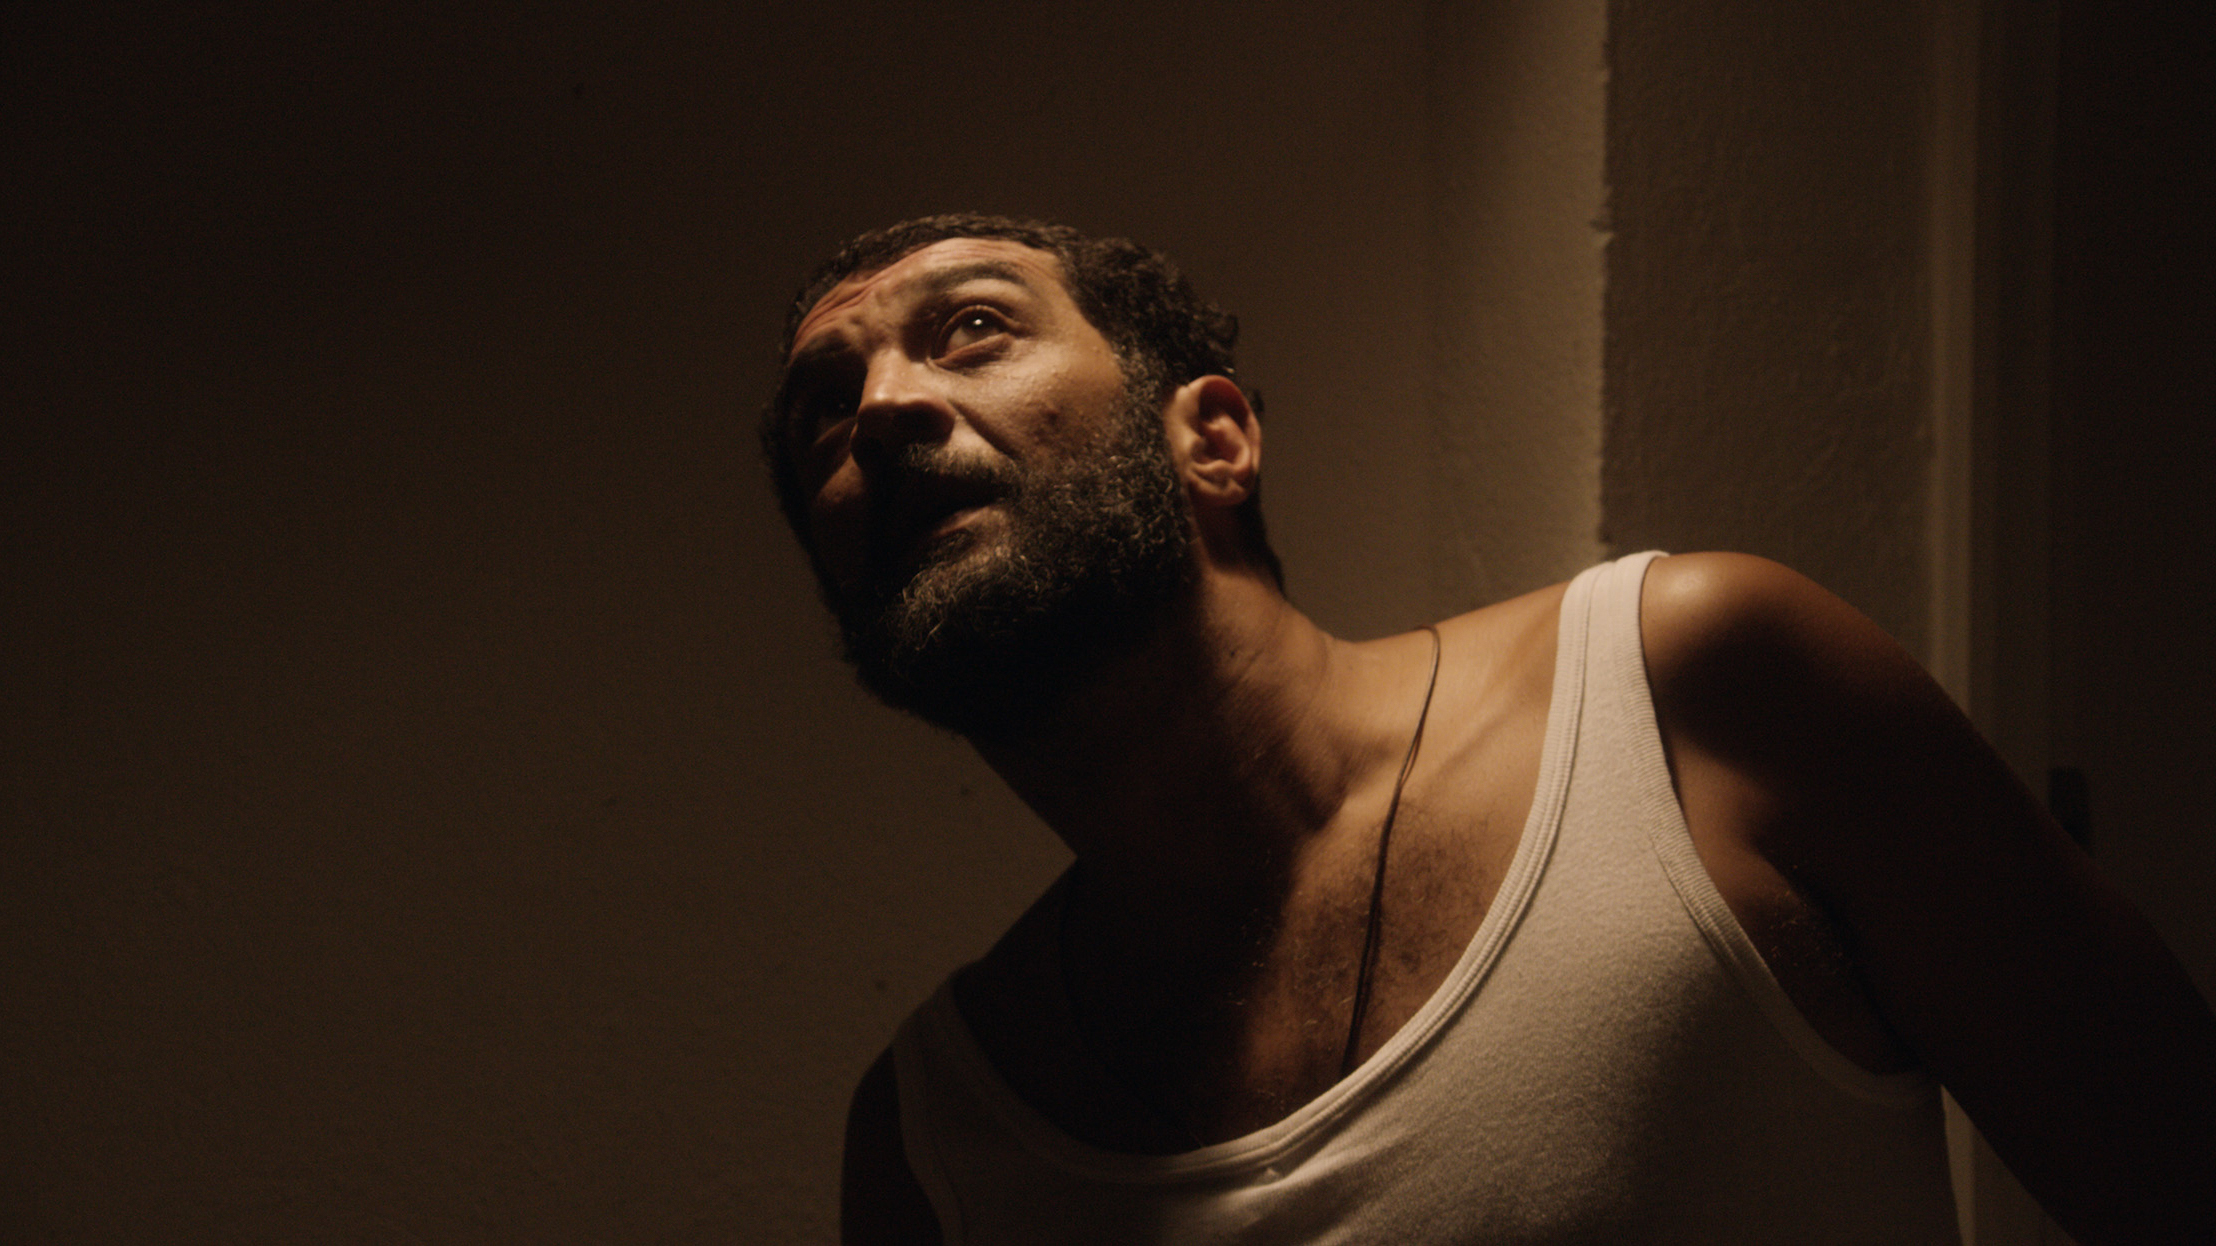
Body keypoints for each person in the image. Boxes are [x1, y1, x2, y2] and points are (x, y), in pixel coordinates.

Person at [761, 214, 2216, 1244]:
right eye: (823, 411)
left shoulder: (1699, 690)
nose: (881, 410)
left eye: (973, 330)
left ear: (1212, 437)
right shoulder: (938, 1142)